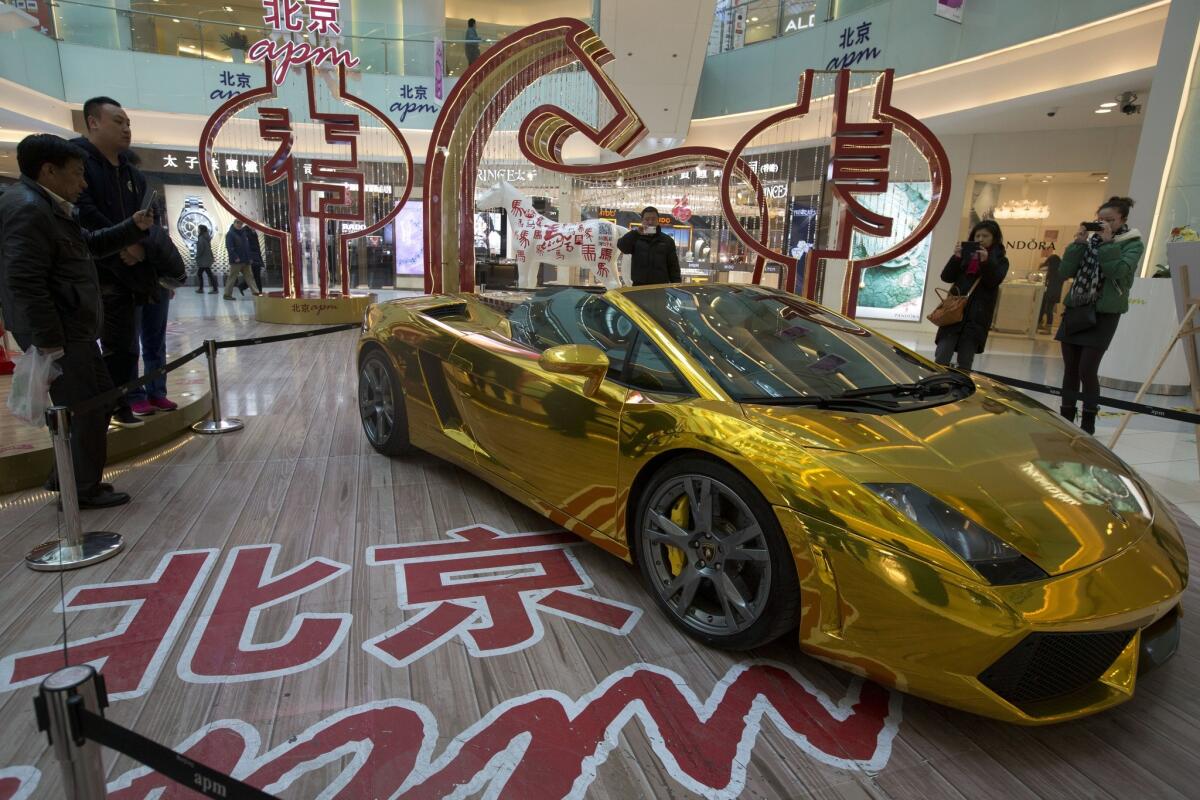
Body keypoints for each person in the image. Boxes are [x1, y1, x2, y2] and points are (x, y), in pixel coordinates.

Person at [0, 134, 153, 508]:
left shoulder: (49, 207)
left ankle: (68, 478)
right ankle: (80, 490)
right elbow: (23, 281)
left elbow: (90, 245)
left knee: (97, 404)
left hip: (75, 331)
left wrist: (132, 226)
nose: (83, 184)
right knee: (85, 409)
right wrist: (50, 338)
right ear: (48, 171)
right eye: (77, 174)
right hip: (63, 335)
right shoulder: (28, 209)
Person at [72, 96, 152, 429]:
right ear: (93, 122)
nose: (126, 128)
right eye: (118, 121)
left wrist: (138, 248)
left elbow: (149, 217)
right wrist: (122, 241)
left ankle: (119, 405)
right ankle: (96, 421)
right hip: (95, 273)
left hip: (132, 273)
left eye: (128, 123)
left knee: (126, 347)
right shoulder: (78, 163)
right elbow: (85, 214)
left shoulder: (132, 172)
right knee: (101, 351)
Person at [1056, 196, 1142, 435]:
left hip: (1104, 314)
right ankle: (1065, 419)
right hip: (1076, 309)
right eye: (1099, 220)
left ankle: (1088, 421)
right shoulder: (1088, 242)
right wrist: (1078, 244)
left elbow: (1117, 272)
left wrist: (1107, 244)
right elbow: (1065, 271)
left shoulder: (1132, 243)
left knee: (1087, 369)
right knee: (1070, 369)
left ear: (1122, 220)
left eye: (1110, 220)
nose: (1103, 224)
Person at [933, 219, 1009, 372]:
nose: (980, 239)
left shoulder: (1001, 261)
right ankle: (937, 386)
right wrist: (956, 258)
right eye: (977, 236)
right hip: (953, 311)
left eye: (985, 236)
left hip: (977, 316)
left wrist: (986, 261)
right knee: (942, 356)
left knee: (965, 362)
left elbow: (992, 282)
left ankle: (960, 389)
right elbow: (946, 277)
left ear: (994, 238)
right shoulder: (965, 257)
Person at [127, 225, 185, 416]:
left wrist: (167, 278)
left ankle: (156, 391)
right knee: (130, 343)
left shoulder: (150, 208)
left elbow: (159, 239)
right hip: (128, 280)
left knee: (156, 341)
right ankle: (134, 394)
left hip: (156, 279)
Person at [617, 207, 682, 286]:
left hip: (660, 287)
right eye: (647, 219)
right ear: (642, 221)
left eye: (653, 219)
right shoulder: (636, 237)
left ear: (658, 221)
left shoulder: (667, 241)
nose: (650, 222)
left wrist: (677, 286)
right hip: (639, 286)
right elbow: (622, 247)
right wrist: (635, 233)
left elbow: (673, 266)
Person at [224, 220, 261, 299]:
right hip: (236, 261)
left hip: (246, 260)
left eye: (241, 223)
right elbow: (230, 248)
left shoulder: (243, 233)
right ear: (234, 223)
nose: (239, 225)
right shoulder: (230, 234)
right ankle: (227, 294)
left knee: (250, 277)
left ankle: (256, 293)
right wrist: (235, 257)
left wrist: (249, 258)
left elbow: (247, 247)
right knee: (232, 277)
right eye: (237, 223)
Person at [1036, 254, 1064, 332]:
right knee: (1049, 310)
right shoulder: (1060, 271)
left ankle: (1040, 325)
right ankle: (1048, 327)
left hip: (1046, 292)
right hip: (1055, 293)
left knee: (1042, 308)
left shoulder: (1047, 269)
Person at [194, 224, 217, 293]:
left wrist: (197, 256)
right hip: (207, 258)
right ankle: (213, 288)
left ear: (201, 230)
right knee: (207, 274)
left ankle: (203, 289)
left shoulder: (201, 238)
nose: (197, 230)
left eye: (198, 229)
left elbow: (200, 249)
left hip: (203, 260)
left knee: (201, 274)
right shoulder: (206, 237)